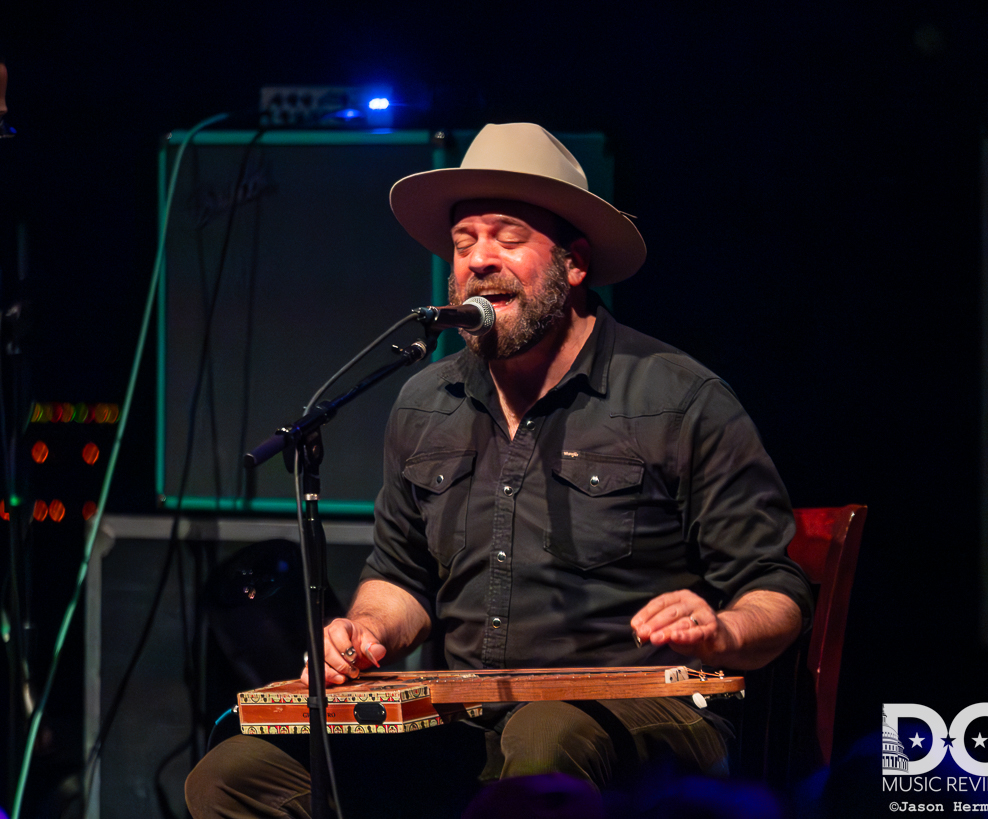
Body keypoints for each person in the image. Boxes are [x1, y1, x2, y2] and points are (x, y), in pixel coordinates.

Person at [185, 123, 813, 818]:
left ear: (575, 263)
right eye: (463, 243)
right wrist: (364, 630)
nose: (478, 260)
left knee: (544, 740)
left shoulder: (677, 397)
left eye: (507, 237)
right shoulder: (426, 401)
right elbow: (401, 578)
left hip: (643, 719)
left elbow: (775, 589)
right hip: (467, 722)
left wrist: (720, 630)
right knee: (232, 774)